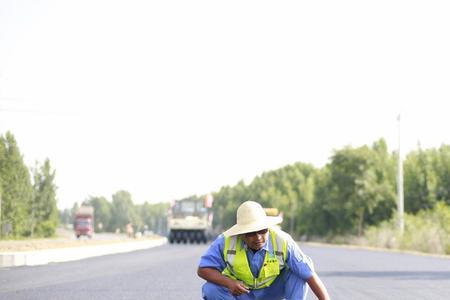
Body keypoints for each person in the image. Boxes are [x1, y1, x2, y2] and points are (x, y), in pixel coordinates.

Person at [197, 200, 331, 300]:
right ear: (242, 233)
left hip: (271, 293)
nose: (258, 238)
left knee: (298, 273)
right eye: (251, 233)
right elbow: (203, 269)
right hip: (241, 294)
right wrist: (229, 283)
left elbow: (309, 275)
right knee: (211, 289)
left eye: (262, 231)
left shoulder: (283, 241)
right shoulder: (225, 241)